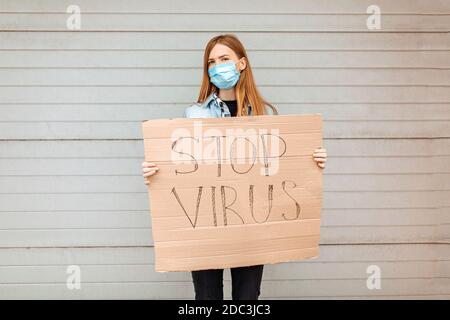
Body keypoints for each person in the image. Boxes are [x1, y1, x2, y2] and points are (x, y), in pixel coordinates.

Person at [142, 34, 327, 300]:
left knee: (247, 297)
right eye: (212, 62)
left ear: (241, 63)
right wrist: (156, 170)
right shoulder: (194, 114)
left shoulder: (264, 116)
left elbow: (281, 166)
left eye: (224, 59)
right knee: (207, 298)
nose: (217, 67)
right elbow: (182, 167)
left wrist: (311, 160)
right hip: (205, 225)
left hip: (252, 226)